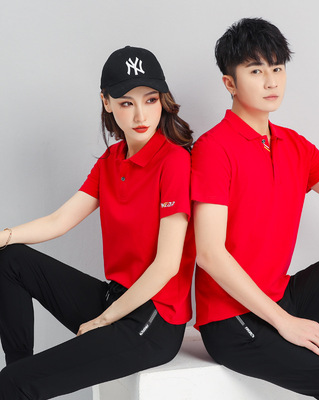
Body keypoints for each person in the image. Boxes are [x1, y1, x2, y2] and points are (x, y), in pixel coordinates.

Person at [191, 17, 319, 400]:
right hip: (230, 320)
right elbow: (209, 253)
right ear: (230, 83)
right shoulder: (213, 149)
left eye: (277, 68)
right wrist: (285, 322)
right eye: (256, 70)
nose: (271, 81)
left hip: (281, 295)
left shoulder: (293, 146)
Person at [0, 46, 195, 399]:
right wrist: (5, 235)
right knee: (9, 259)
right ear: (106, 102)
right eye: (126, 103)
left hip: (154, 320)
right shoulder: (111, 160)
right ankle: (20, 369)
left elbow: (167, 265)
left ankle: (17, 383)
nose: (141, 115)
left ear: (163, 100)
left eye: (150, 100)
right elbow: (60, 220)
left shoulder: (174, 161)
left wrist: (104, 320)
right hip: (115, 297)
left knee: (11, 384)